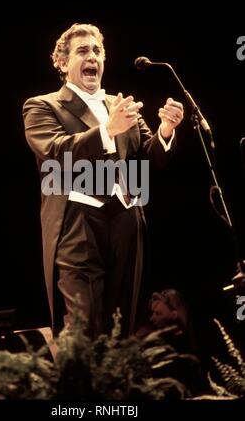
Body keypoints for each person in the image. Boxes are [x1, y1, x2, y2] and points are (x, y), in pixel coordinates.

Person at [23, 23, 184, 339]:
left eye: (97, 51)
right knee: (83, 325)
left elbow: (148, 159)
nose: (92, 56)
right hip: (77, 222)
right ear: (62, 62)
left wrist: (165, 130)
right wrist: (106, 131)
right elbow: (56, 152)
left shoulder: (120, 105)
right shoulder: (42, 105)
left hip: (125, 219)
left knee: (120, 325)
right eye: (83, 51)